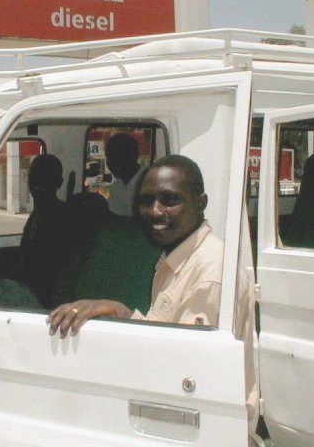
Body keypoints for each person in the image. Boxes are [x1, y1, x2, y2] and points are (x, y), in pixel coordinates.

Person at [46, 154, 258, 444]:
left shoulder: (211, 272)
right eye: (146, 201)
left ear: (201, 202)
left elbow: (189, 376)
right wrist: (120, 313)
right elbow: (169, 339)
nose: (155, 211)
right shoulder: (179, 255)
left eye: (169, 200)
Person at [18, 154, 71, 308]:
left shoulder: (61, 217)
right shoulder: (37, 214)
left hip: (41, 301)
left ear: (59, 183)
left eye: (45, 177)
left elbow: (49, 272)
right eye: (34, 176)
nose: (38, 182)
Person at [104, 133, 146, 216]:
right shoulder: (116, 186)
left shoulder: (149, 182)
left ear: (134, 156)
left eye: (119, 156)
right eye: (109, 157)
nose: (113, 162)